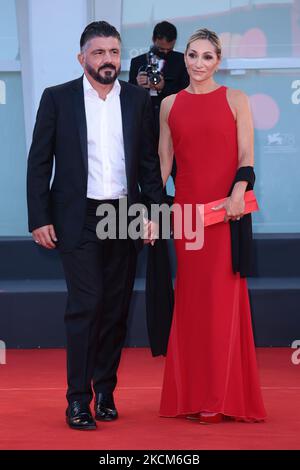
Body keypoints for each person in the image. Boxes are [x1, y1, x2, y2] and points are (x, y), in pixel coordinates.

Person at [27, 21, 162, 430]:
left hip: (123, 214)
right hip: (78, 216)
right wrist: (39, 217)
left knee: (116, 309)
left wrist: (155, 213)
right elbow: (39, 163)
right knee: (86, 305)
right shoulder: (58, 99)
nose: (108, 60)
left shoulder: (138, 100)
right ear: (82, 57)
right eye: (99, 52)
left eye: (114, 52)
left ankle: (105, 391)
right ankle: (77, 400)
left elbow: (148, 165)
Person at [158, 28, 266, 423]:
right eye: (192, 55)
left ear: (218, 61)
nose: (198, 63)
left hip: (226, 214)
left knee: (224, 303)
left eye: (207, 56)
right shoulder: (169, 105)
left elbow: (246, 156)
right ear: (183, 59)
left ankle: (221, 396)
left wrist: (239, 191)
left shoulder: (236, 99)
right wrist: (153, 211)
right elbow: (164, 164)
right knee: (191, 303)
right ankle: (192, 393)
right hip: (187, 218)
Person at [129, 21, 189, 139]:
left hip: (172, 120)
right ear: (153, 39)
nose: (165, 52)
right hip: (144, 121)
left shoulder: (182, 61)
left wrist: (163, 87)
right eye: (161, 49)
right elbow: (129, 94)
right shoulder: (137, 62)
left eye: (169, 49)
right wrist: (137, 84)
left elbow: (187, 92)